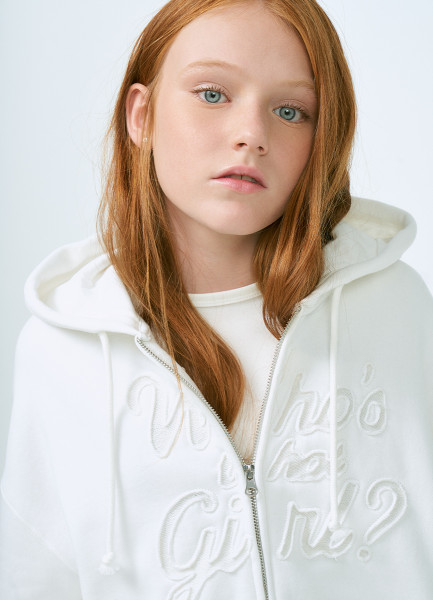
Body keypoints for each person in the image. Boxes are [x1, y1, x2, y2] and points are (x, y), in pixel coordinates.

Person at [1, 0, 432, 597]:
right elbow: (39, 574)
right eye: (212, 94)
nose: (251, 134)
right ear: (142, 116)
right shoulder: (61, 348)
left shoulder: (394, 308)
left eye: (290, 110)